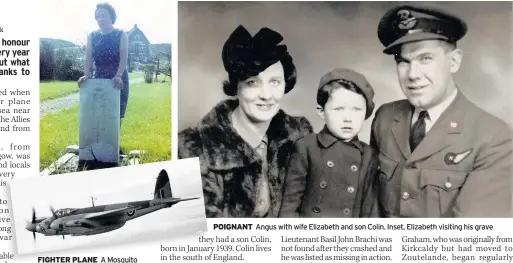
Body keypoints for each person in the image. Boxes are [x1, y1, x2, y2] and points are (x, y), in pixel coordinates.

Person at [371, 4, 513, 217]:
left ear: (454, 62)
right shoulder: (385, 118)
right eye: (403, 61)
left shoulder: (494, 138)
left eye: (425, 58)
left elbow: (468, 242)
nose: (412, 74)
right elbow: (369, 208)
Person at [178, 25, 313, 218]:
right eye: (253, 82)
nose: (266, 95)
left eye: (274, 81)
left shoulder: (300, 136)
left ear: (286, 83)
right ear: (236, 87)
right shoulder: (193, 148)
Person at [280, 68, 380, 218]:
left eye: (357, 109)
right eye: (339, 109)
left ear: (365, 114)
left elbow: (370, 211)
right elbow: (290, 204)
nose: (348, 118)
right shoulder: (306, 146)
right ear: (321, 111)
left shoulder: (368, 154)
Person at [78, 3, 129, 123]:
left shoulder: (121, 34)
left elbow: (123, 57)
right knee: (98, 115)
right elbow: (88, 57)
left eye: (103, 15)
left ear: (111, 17)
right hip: (99, 78)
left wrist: (118, 76)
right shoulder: (92, 35)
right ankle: (99, 142)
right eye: (98, 16)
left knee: (115, 116)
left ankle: (112, 142)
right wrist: (87, 74)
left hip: (117, 79)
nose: (100, 19)